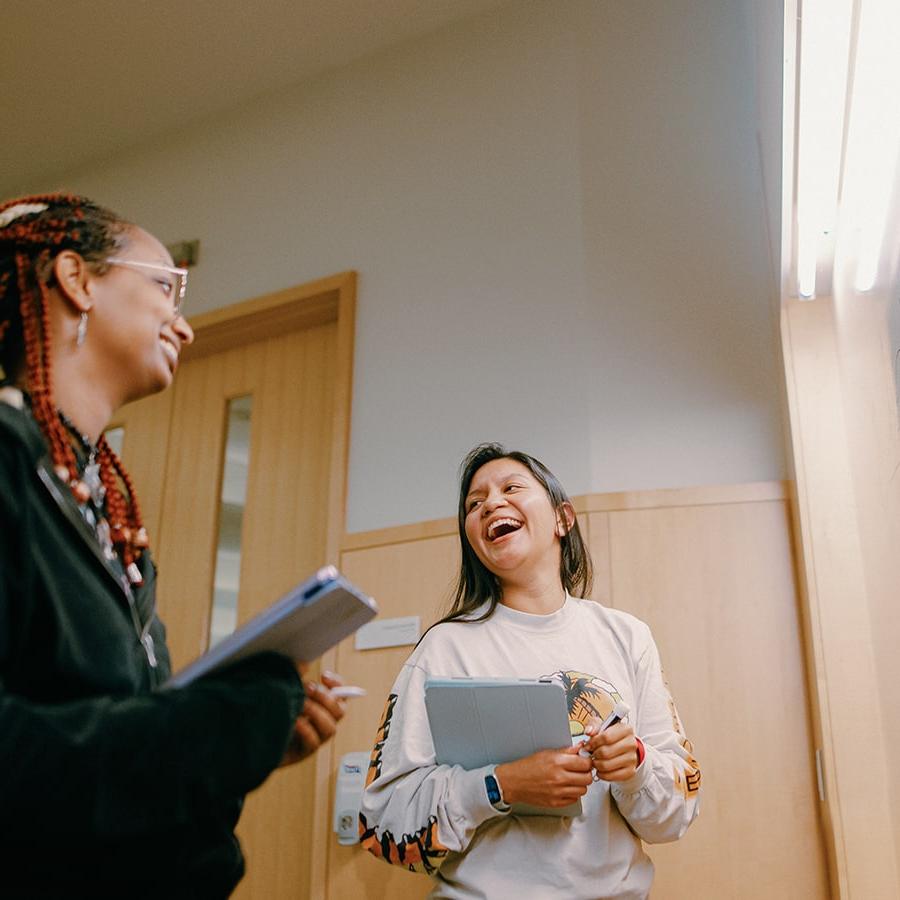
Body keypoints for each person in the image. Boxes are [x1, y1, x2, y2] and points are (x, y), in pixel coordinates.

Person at [0, 193, 346, 899]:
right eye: (166, 286)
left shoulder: (110, 517)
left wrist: (243, 747)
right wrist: (220, 725)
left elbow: (123, 766)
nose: (184, 327)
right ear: (77, 279)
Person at [359, 443, 701, 899]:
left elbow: (676, 815)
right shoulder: (444, 648)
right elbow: (383, 821)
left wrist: (636, 765)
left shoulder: (627, 636)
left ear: (563, 518)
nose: (491, 504)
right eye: (474, 503)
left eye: (511, 488)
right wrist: (499, 785)